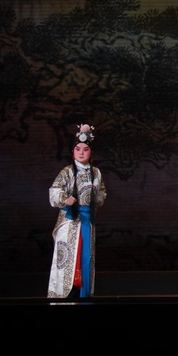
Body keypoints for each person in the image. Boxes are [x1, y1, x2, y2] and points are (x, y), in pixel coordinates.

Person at [47, 123, 107, 299]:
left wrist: (97, 200)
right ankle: (64, 297)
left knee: (85, 259)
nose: (81, 152)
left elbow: (102, 193)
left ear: (91, 152)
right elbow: (54, 191)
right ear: (73, 152)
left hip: (87, 222)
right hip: (69, 221)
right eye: (78, 149)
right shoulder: (67, 172)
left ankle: (84, 296)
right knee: (68, 260)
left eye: (85, 149)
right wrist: (65, 199)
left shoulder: (96, 173)